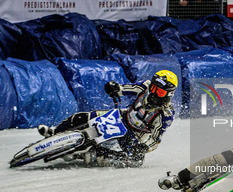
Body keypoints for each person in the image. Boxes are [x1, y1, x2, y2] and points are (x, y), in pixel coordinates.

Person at [38, 70, 178, 167]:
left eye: (159, 91)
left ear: (169, 94)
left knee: (136, 160)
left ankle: (93, 155)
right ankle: (55, 132)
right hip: (121, 116)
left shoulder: (165, 115)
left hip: (132, 135)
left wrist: (144, 147)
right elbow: (125, 89)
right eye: (154, 87)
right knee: (81, 117)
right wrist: (115, 88)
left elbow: (155, 139)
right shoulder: (145, 86)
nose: (153, 92)